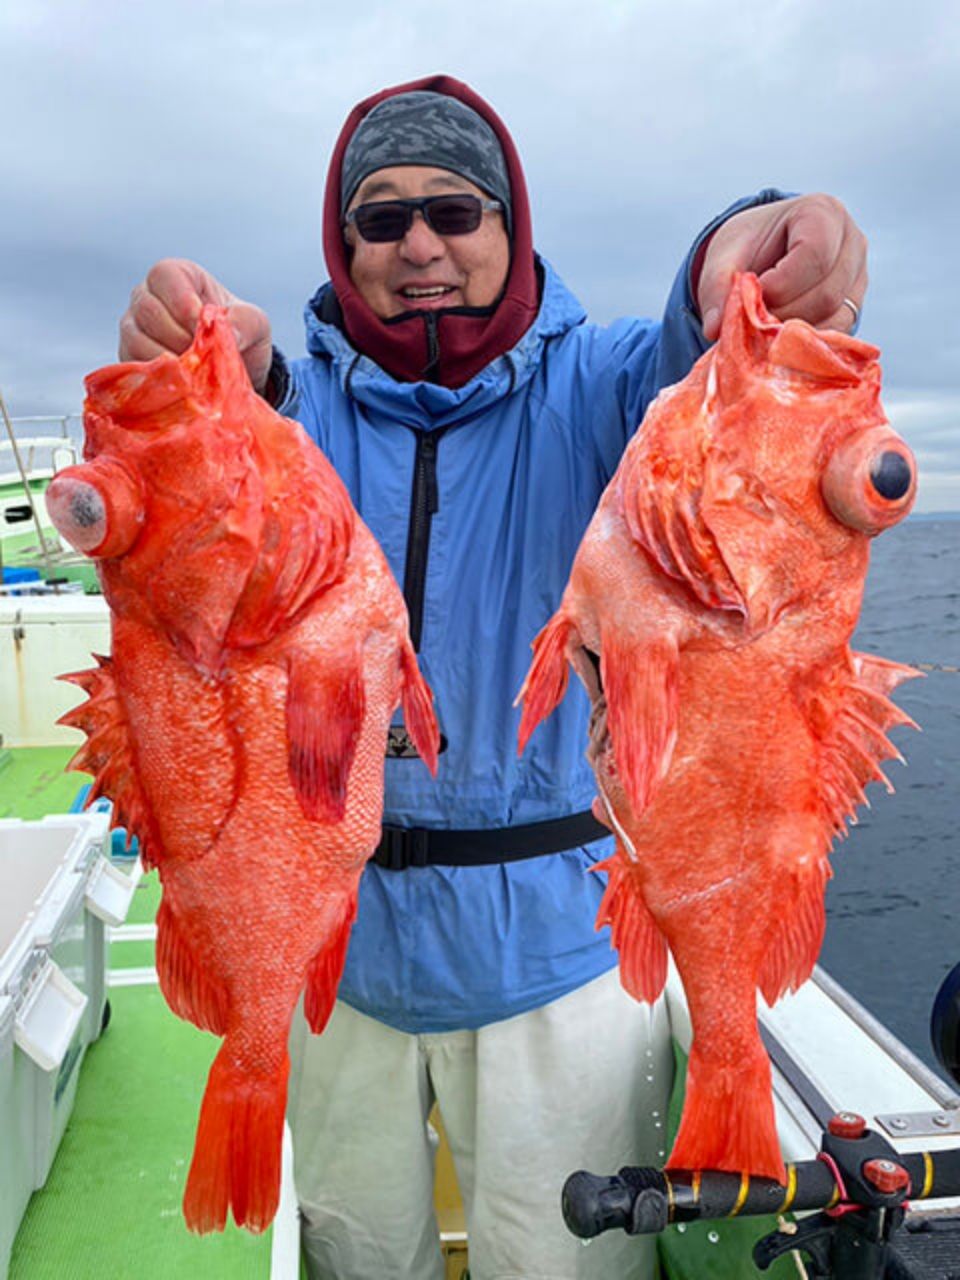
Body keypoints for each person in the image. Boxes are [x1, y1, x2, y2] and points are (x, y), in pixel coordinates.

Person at [120, 74, 868, 1280]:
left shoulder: (609, 385)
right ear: (343, 241)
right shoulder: (291, 413)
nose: (421, 244)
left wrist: (751, 243)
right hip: (339, 954)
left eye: (458, 211)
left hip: (555, 957)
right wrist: (213, 380)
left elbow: (701, 348)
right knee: (362, 1252)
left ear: (514, 229)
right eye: (381, 218)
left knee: (560, 1261)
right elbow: (218, 489)